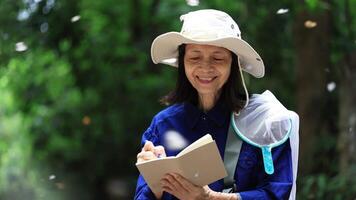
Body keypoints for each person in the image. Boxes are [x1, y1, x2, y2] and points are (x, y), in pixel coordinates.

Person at [135, 9, 298, 200]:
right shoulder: (163, 125)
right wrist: (155, 184)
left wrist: (210, 198)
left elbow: (277, 193)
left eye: (218, 58)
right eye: (194, 57)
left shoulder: (264, 122)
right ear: (183, 62)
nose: (205, 67)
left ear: (234, 63)